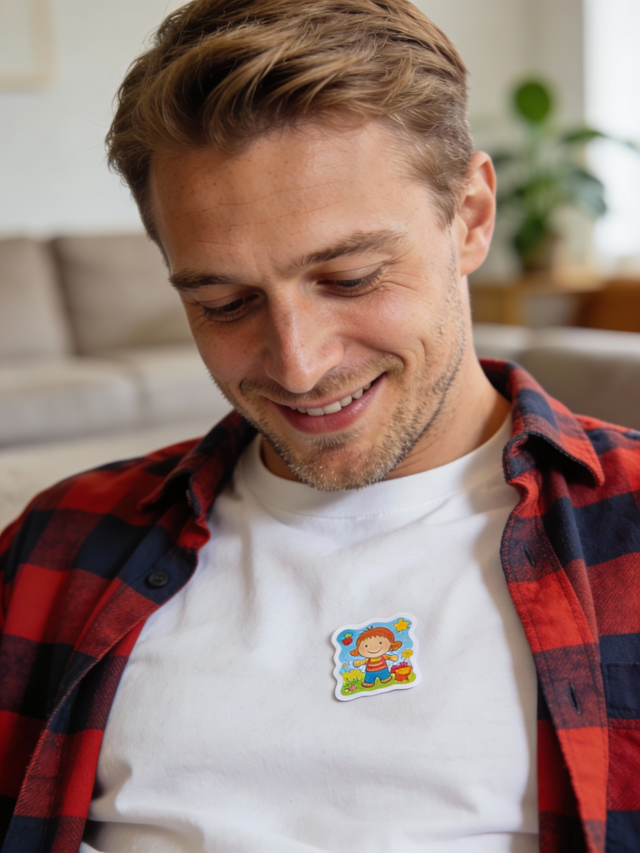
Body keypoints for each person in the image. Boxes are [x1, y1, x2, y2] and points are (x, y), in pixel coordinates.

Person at [1, 1, 639, 851]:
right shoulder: (57, 548)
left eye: (350, 277)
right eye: (225, 302)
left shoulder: (628, 529)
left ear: (471, 216)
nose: (297, 365)